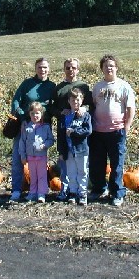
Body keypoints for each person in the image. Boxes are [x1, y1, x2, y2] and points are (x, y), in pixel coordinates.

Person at [89, 54, 136, 207]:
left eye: (111, 65)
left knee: (117, 164)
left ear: (116, 67)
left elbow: (130, 108)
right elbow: (94, 106)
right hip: (98, 131)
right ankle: (99, 188)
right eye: (105, 66)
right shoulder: (97, 87)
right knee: (97, 162)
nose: (108, 68)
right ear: (101, 69)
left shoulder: (124, 86)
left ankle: (116, 192)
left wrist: (126, 126)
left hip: (117, 131)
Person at [9, 57, 56, 201]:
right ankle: (16, 190)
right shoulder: (27, 84)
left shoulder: (52, 86)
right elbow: (16, 100)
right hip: (24, 126)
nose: (42, 70)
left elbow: (54, 106)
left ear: (49, 69)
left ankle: (39, 191)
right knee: (19, 157)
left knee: (39, 162)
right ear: (35, 69)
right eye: (40, 67)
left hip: (42, 129)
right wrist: (22, 118)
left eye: (45, 67)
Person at [51, 58, 93, 201]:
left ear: (78, 69)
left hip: (79, 130)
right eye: (68, 68)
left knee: (81, 167)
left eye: (73, 67)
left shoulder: (83, 86)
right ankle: (66, 190)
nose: (70, 70)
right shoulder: (59, 88)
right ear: (64, 69)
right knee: (67, 164)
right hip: (65, 127)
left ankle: (80, 192)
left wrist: (83, 108)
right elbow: (52, 107)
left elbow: (91, 105)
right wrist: (60, 112)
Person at [57, 88, 92, 206]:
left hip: (81, 149)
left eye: (78, 99)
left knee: (82, 172)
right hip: (68, 149)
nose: (75, 102)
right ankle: (72, 192)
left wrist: (73, 132)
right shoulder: (65, 116)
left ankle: (82, 194)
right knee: (71, 172)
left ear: (82, 100)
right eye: (73, 100)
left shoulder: (85, 115)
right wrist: (61, 150)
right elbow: (61, 135)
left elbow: (88, 130)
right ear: (69, 101)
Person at [19, 102, 55, 203]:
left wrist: (45, 145)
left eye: (37, 113)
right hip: (30, 156)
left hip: (42, 156)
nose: (35, 116)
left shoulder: (46, 127)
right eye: (32, 113)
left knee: (42, 175)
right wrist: (23, 155)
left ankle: (41, 193)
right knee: (33, 176)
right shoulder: (27, 128)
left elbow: (51, 140)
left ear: (41, 114)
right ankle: (32, 192)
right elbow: (22, 142)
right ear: (29, 114)